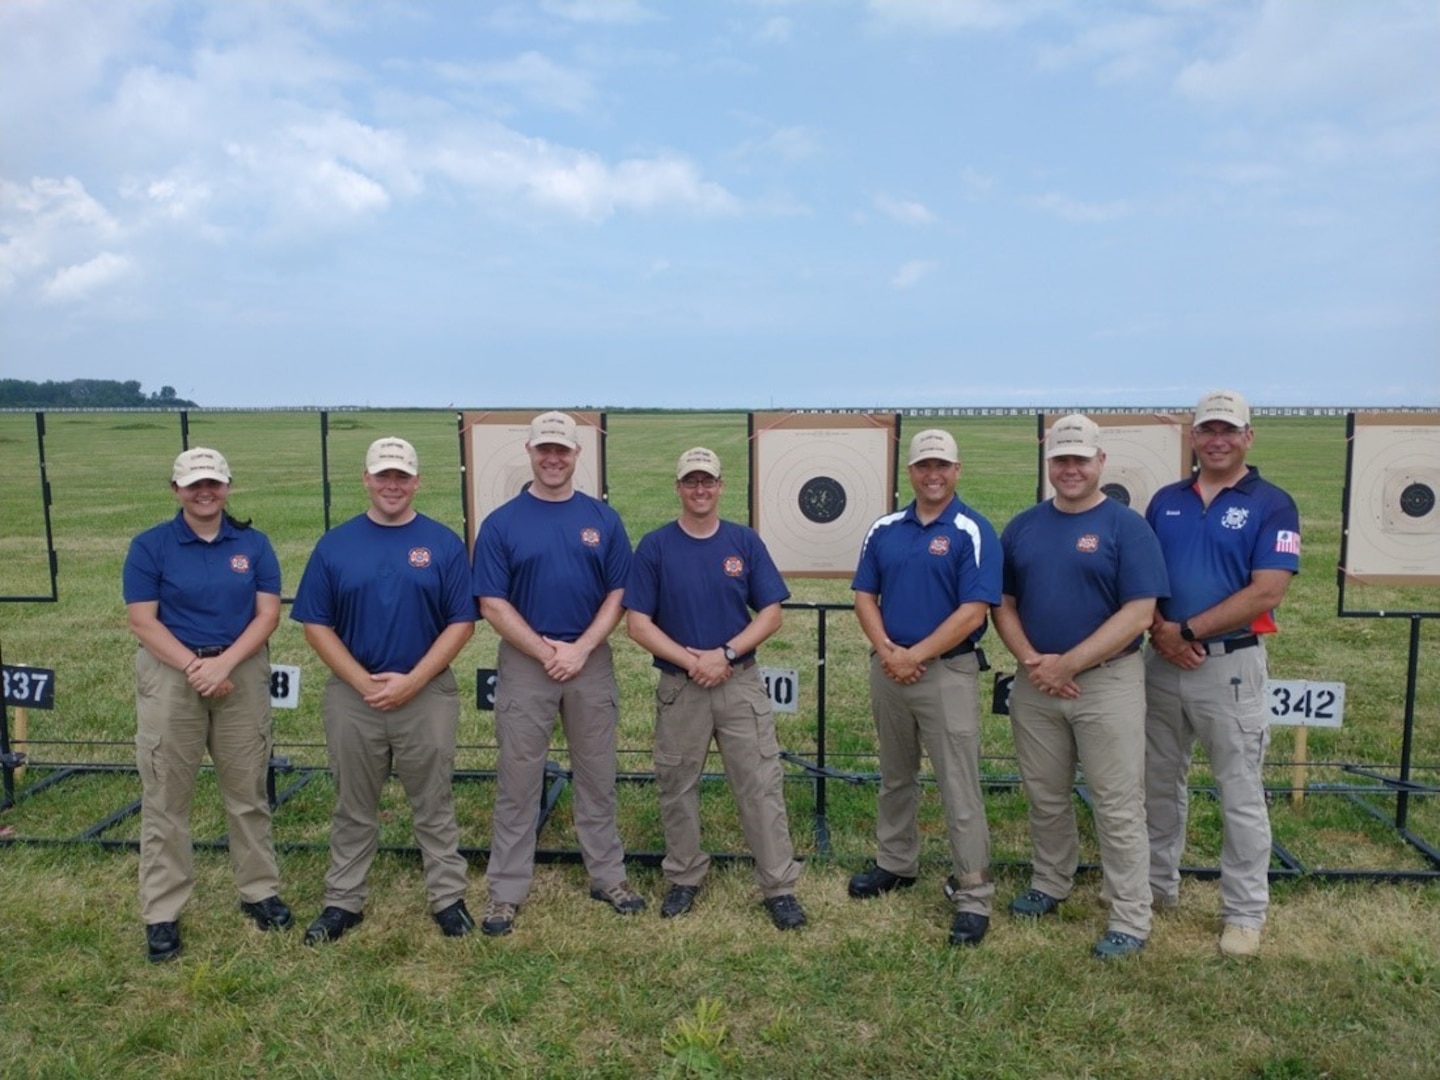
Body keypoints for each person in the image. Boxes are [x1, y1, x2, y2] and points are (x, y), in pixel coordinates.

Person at [991, 415, 1169, 960]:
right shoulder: (1023, 526)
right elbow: (1004, 603)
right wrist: (1030, 660)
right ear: (1049, 465)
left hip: (1106, 681)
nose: (1070, 470)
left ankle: (1130, 915)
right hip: (1035, 681)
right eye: (1061, 461)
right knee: (1045, 795)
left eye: (1080, 460)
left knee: (1117, 805)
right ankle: (1051, 881)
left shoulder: (1126, 527)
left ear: (1100, 463)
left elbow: (1140, 611)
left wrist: (1068, 664)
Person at [291, 436, 476, 944]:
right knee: (354, 803)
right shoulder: (335, 545)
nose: (392, 485)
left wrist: (413, 681)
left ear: (417, 482)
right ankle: (342, 901)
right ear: (366, 480)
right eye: (383, 475)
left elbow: (462, 622)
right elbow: (315, 624)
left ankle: (447, 897)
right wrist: (361, 682)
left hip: (427, 693)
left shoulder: (442, 544)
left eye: (402, 476)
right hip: (355, 695)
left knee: (433, 800)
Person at [471, 411, 642, 937]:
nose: (552, 458)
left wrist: (582, 648)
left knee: (597, 775)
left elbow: (620, 593)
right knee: (518, 779)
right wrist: (546, 651)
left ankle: (607, 876)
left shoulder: (602, 519)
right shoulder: (502, 523)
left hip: (589, 662)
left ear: (577, 455)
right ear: (529, 451)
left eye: (562, 450)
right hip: (527, 665)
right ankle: (505, 890)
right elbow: (492, 603)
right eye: (544, 448)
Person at [1145, 390, 1300, 958]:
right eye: (1207, 429)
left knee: (1239, 792)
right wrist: (1163, 630)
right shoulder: (1165, 500)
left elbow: (1268, 588)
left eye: (1228, 430)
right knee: (1158, 784)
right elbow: (1144, 577)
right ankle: (1157, 889)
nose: (1217, 439)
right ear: (1193, 436)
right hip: (1161, 662)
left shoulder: (1272, 504)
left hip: (1230, 665)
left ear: (1248, 437)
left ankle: (1243, 913)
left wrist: (1187, 632)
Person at [625, 447, 806, 930]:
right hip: (680, 685)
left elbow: (771, 613)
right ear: (678, 488)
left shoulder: (743, 542)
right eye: (691, 482)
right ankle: (684, 876)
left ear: (722, 486)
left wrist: (724, 655)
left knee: (760, 784)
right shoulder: (656, 546)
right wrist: (692, 661)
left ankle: (779, 886)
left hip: (738, 682)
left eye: (708, 481)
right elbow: (637, 623)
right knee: (676, 785)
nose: (700, 490)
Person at [123, 447, 291, 963]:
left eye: (213, 483)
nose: (204, 492)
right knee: (167, 799)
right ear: (175, 490)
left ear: (228, 487)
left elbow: (266, 615)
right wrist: (196, 667)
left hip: (239, 670)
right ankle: (162, 911)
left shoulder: (253, 544)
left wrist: (224, 665)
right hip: (172, 675)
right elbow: (143, 621)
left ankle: (259, 891)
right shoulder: (150, 546)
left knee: (247, 793)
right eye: (194, 484)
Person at [849, 429, 1002, 946]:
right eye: (922, 466)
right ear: (909, 472)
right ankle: (896, 862)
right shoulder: (886, 528)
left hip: (946, 672)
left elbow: (973, 610)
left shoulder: (972, 530)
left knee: (959, 784)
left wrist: (916, 654)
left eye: (941, 465)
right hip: (890, 667)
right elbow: (865, 595)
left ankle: (974, 891)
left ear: (957, 470)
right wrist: (890, 652)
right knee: (895, 775)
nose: (932, 475)